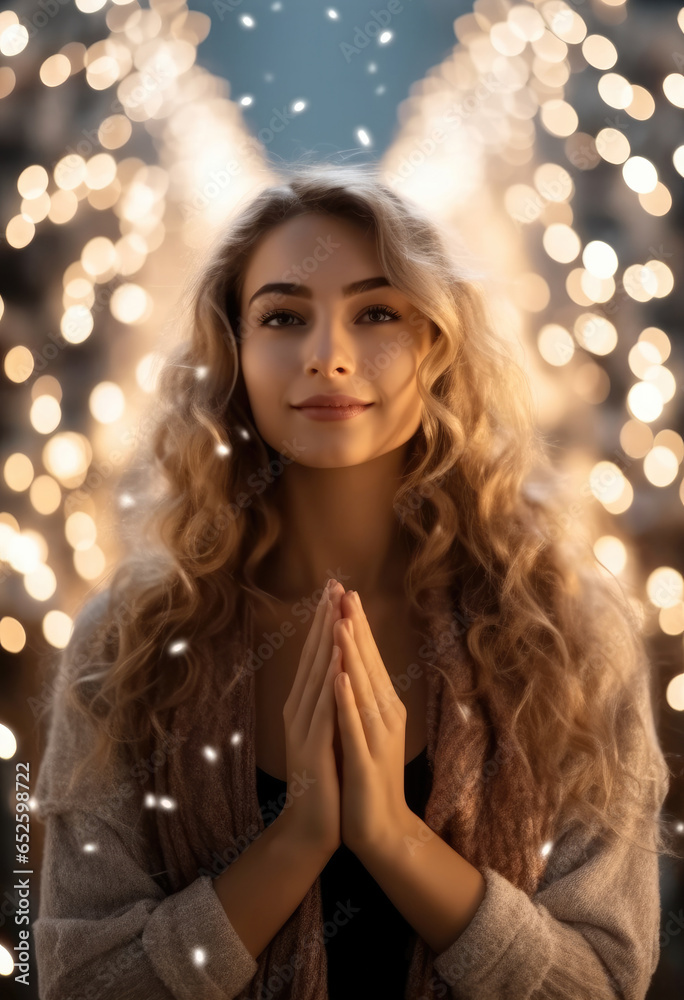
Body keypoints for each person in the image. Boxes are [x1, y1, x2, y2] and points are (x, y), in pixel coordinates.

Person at [33, 163, 678, 1000]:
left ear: (437, 345)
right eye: (283, 317)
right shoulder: (126, 645)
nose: (328, 357)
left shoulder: (569, 635)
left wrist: (392, 838)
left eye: (377, 313)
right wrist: (296, 840)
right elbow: (79, 983)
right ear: (233, 350)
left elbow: (603, 981)